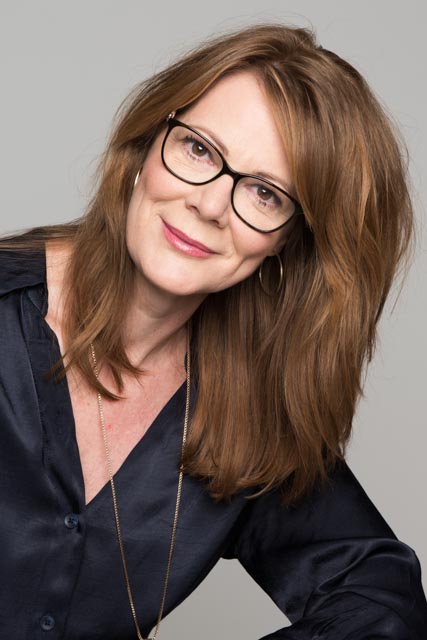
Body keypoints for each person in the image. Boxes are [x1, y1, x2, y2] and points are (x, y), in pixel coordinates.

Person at [0, 22, 426, 640]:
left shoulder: (248, 411)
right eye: (199, 149)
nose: (209, 205)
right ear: (147, 144)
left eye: (264, 193)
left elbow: (380, 596)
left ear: (287, 243)